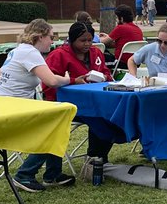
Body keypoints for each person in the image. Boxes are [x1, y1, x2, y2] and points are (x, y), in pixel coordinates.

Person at [0, 19, 76, 191]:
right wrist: (70, 79)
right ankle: (25, 175)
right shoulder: (30, 53)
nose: (53, 41)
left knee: (56, 122)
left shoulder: (17, 51)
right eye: (51, 37)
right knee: (54, 128)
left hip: (2, 106)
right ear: (39, 37)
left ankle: (52, 173)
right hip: (12, 110)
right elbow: (52, 80)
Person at [42, 22, 117, 173]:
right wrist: (73, 81)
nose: (87, 44)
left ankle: (98, 156)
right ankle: (94, 158)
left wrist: (104, 77)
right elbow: (48, 84)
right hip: (65, 105)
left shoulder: (96, 53)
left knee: (113, 115)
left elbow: (107, 73)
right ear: (71, 39)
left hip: (95, 101)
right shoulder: (58, 55)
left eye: (90, 40)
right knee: (98, 116)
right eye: (83, 40)